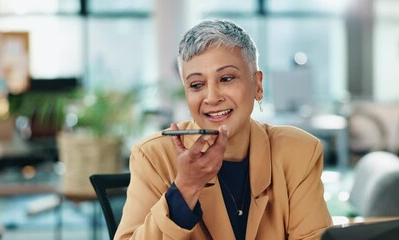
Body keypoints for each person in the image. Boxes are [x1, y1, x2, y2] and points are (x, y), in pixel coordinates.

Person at [115, 19, 332, 240]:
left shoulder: (299, 151)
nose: (212, 97)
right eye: (197, 85)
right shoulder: (153, 156)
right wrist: (185, 188)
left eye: (226, 78)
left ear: (257, 85)